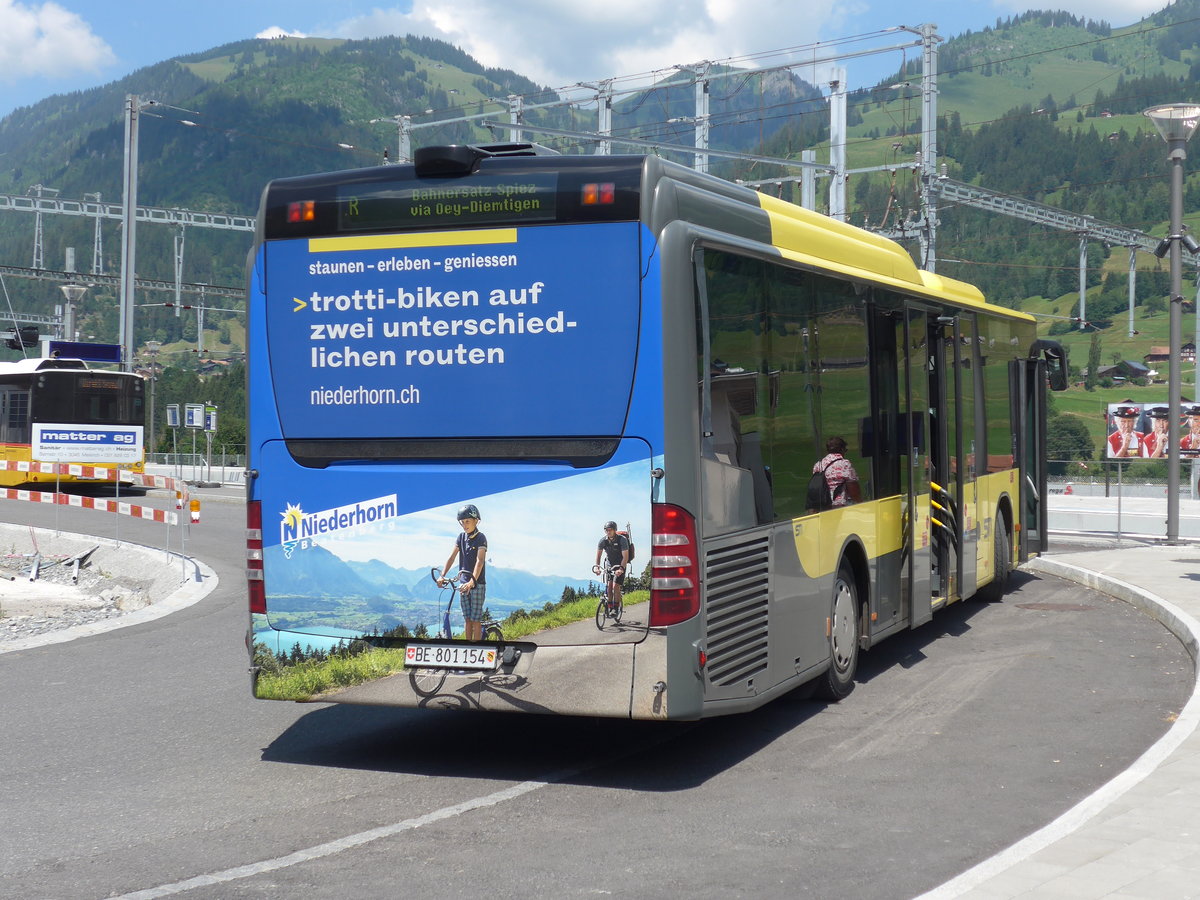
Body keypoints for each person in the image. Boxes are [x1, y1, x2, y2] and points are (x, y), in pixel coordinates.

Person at [437, 504, 487, 641]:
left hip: (477, 584)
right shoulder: (461, 537)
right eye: (462, 522)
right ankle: (468, 646)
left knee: (476, 620)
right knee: (467, 619)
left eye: (468, 521)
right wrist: (442, 575)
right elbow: (452, 557)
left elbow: (480, 561)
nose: (465, 525)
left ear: (476, 520)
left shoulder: (481, 538)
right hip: (463, 584)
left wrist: (472, 582)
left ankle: (477, 649)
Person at [813, 436, 861, 507]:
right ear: (842, 449)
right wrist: (860, 503)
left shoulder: (818, 465)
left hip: (822, 505)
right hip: (839, 506)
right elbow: (853, 490)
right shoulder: (844, 464)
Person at [593, 521, 630, 613]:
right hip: (609, 564)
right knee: (609, 587)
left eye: (611, 530)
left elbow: (625, 557)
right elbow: (598, 556)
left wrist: (621, 568)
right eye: (607, 530)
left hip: (621, 564)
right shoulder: (603, 541)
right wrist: (597, 567)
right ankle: (609, 607)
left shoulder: (622, 540)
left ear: (615, 530)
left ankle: (616, 609)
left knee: (615, 586)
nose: (608, 532)